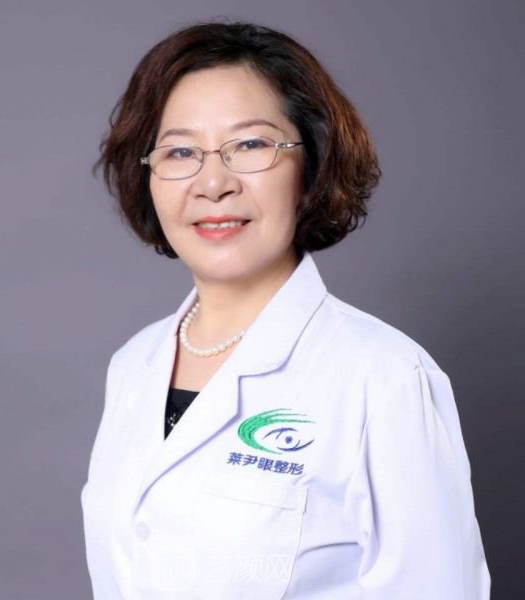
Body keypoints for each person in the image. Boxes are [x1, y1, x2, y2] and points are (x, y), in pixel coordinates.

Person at [81, 19, 491, 599]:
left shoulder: (385, 378)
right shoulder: (133, 365)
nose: (213, 183)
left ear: (311, 166)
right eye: (181, 151)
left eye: (250, 144)